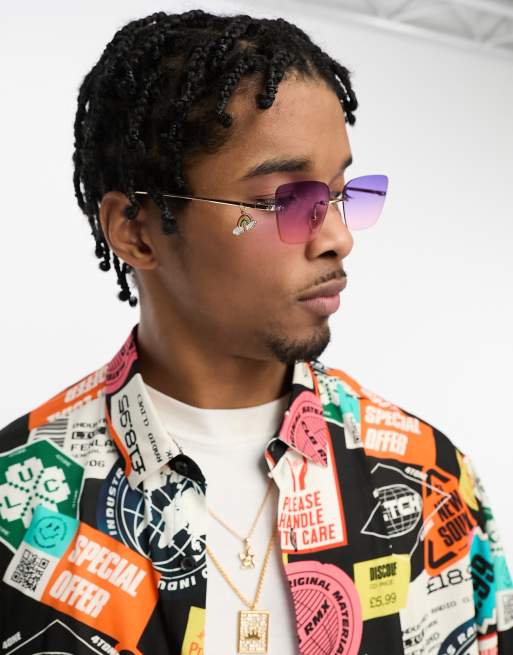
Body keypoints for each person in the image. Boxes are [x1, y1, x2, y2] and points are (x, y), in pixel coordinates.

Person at [0, 9, 511, 655]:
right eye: (283, 201)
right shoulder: (17, 501)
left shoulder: (425, 475)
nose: (337, 237)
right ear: (135, 229)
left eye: (339, 194)